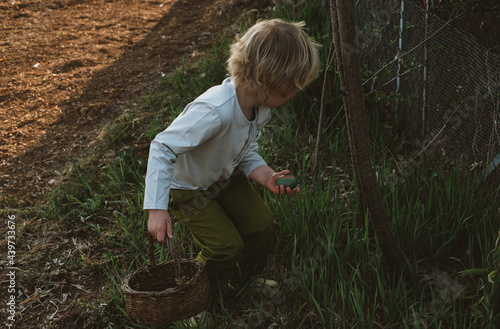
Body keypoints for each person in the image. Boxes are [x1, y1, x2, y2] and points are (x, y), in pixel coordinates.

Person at [144, 19, 320, 299]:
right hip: (188, 189)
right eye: (292, 88)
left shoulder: (259, 108)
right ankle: (194, 299)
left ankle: (243, 279)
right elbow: (162, 147)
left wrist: (265, 175)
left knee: (262, 226)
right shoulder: (215, 110)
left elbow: (244, 149)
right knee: (225, 246)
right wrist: (156, 208)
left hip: (224, 177)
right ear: (270, 82)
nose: (296, 93)